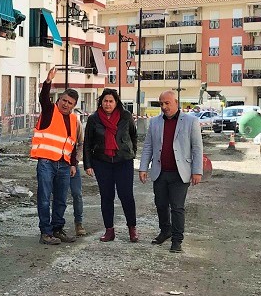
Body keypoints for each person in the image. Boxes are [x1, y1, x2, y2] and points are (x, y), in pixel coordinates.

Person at [139, 90, 203, 253]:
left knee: (177, 207)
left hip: (180, 173)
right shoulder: (154, 122)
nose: (164, 107)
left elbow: (197, 148)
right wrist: (143, 167)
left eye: (167, 103)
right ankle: (165, 230)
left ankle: (177, 239)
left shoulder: (191, 121)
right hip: (160, 171)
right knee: (160, 204)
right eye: (161, 104)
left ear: (176, 103)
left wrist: (197, 171)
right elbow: (148, 146)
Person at [32, 67, 80, 245]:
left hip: (64, 165)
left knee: (61, 199)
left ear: (74, 106)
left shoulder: (74, 120)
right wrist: (48, 82)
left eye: (70, 103)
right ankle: (46, 232)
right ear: (59, 99)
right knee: (44, 198)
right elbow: (43, 98)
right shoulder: (50, 111)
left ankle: (57, 228)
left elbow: (72, 143)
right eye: (64, 100)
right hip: (46, 162)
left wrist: (73, 163)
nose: (66, 104)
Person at [83, 88, 138, 242]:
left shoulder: (126, 116)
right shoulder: (94, 119)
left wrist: (131, 151)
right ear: (101, 102)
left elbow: (133, 135)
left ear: (116, 102)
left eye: (111, 101)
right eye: (105, 101)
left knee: (126, 195)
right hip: (102, 162)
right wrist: (88, 164)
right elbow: (87, 142)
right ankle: (109, 231)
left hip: (123, 162)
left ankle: (132, 229)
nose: (107, 104)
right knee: (107, 197)